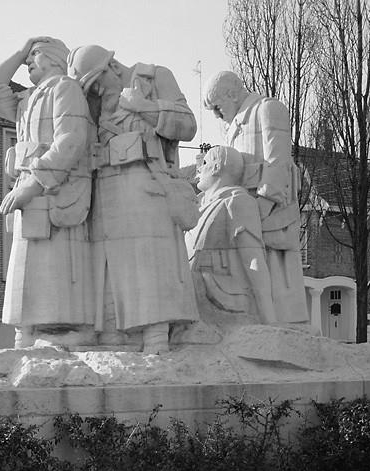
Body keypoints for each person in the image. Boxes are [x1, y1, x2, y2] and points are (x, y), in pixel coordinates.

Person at [67, 45, 200, 354]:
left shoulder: (153, 78)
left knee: (149, 261)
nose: (96, 92)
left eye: (97, 82)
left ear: (112, 66)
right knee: (110, 267)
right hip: (106, 188)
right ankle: (117, 336)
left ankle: (156, 335)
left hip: (146, 182)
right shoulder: (96, 103)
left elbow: (188, 125)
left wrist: (144, 107)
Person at [0, 37, 95, 348]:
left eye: (35, 54)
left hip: (54, 191)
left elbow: (71, 141)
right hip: (29, 190)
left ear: (54, 59)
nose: (29, 61)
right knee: (25, 266)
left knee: (54, 265)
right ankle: (27, 331)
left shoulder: (65, 89)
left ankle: (61, 331)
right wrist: (20, 50)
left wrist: (34, 184)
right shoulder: (26, 98)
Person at [202, 71, 308, 323]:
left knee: (278, 272)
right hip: (245, 211)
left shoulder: (268, 109)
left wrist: (263, 206)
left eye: (217, 107)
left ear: (231, 93)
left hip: (272, 209)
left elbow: (277, 162)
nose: (216, 115)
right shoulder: (234, 126)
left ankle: (286, 324)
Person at [185, 146, 276, 325]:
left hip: (219, 293)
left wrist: (269, 319)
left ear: (217, 166)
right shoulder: (198, 206)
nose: (199, 169)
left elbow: (252, 260)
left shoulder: (237, 201)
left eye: (204, 163)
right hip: (192, 288)